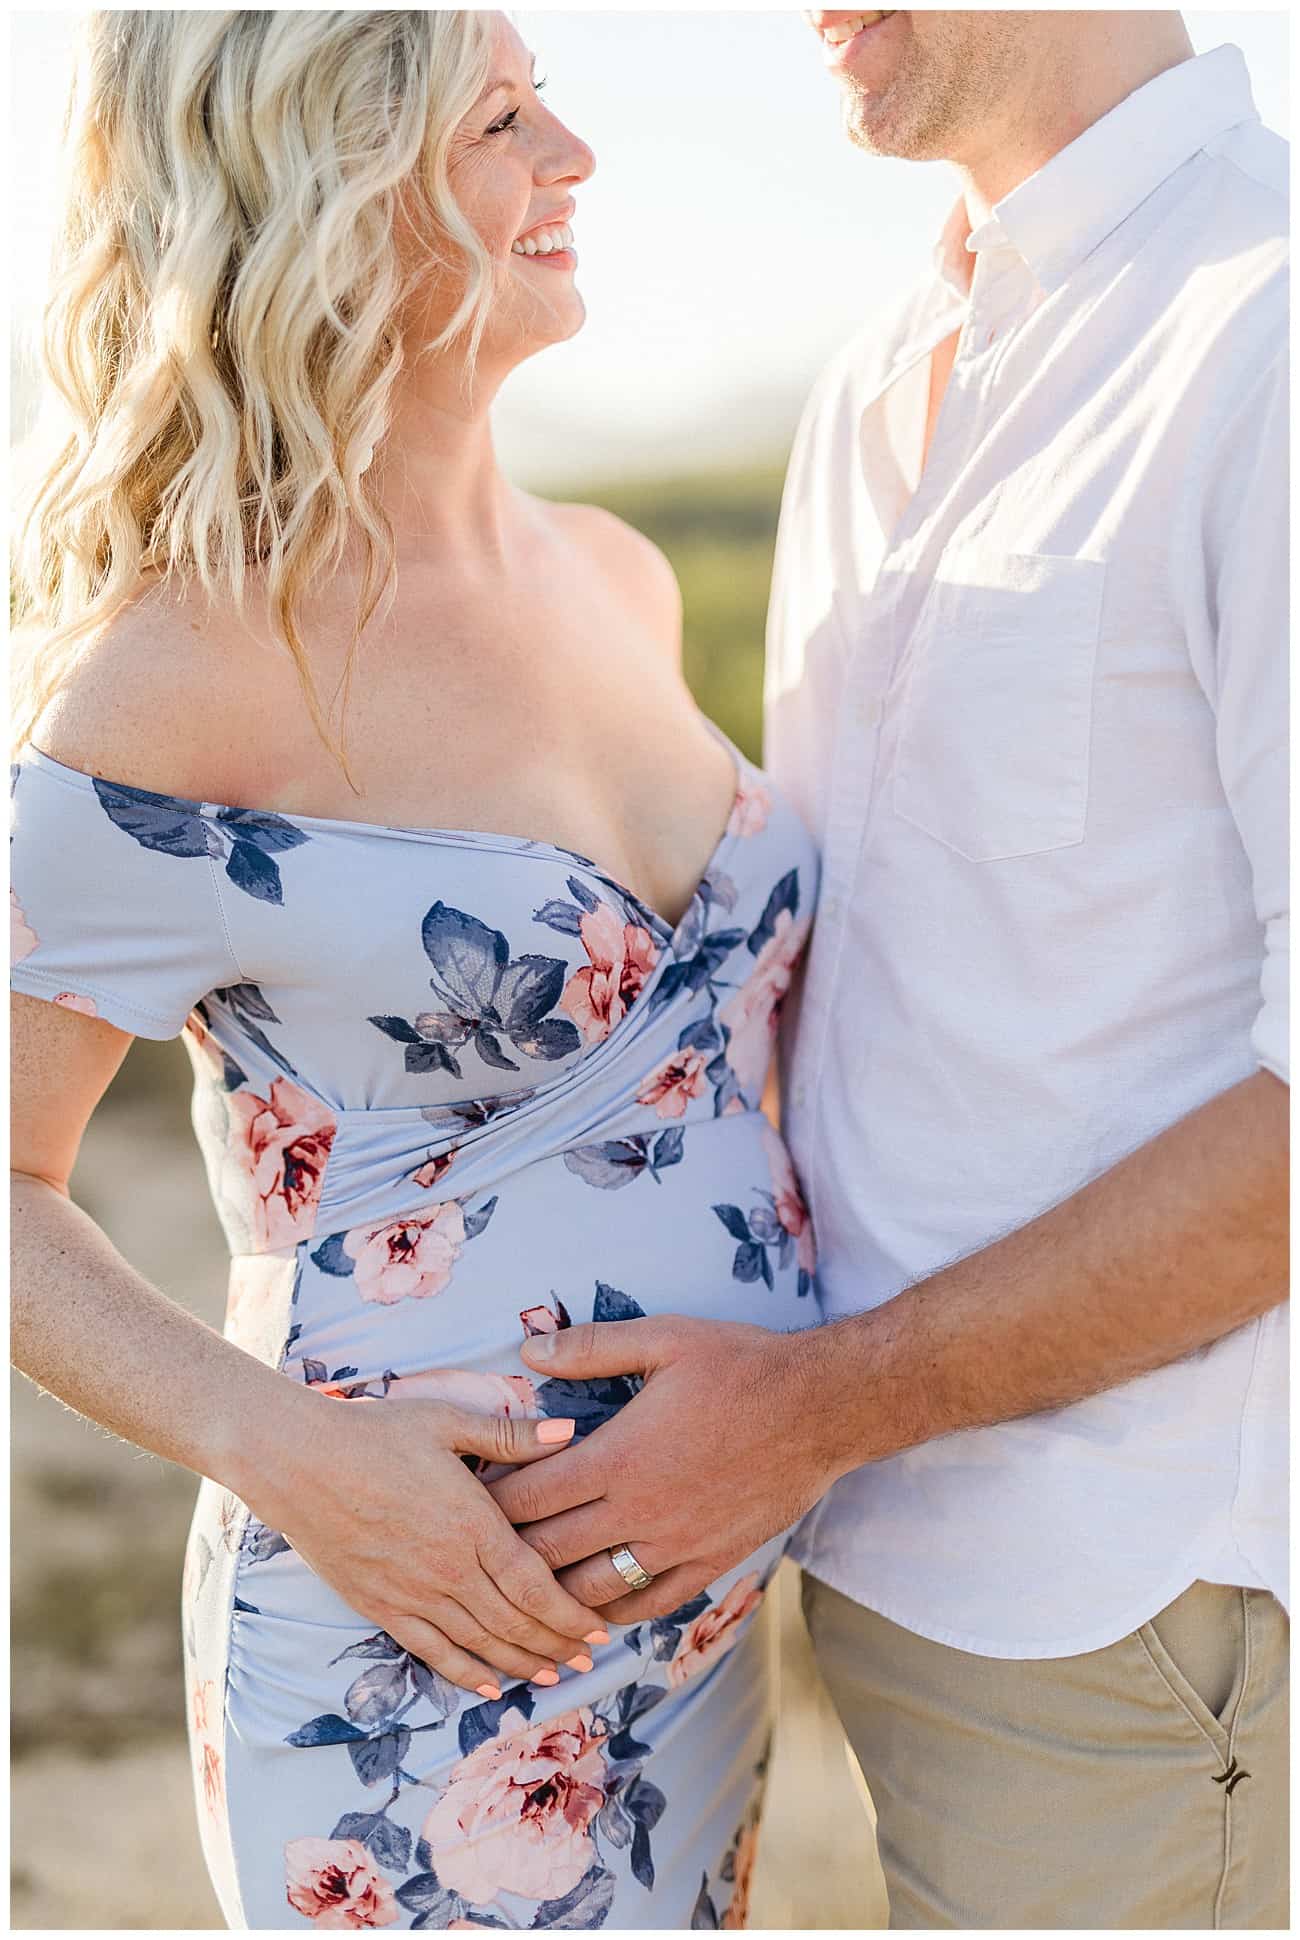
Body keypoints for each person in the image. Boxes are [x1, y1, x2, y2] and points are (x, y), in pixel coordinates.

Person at [10, 11, 820, 1929]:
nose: (575, 157)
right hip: (409, 1636)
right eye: (500, 121)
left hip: (698, 1620)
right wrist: (285, 1453)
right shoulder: (185, 667)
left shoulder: (616, 577)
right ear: (327, 192)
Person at [493, 10, 1289, 1928]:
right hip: (859, 1554)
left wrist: (813, 1407)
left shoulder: (1269, 332)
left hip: (1131, 1589)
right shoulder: (874, 376)